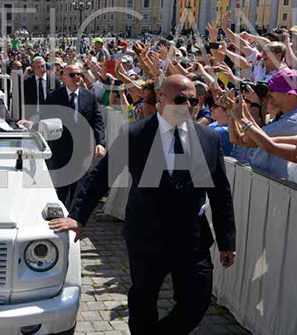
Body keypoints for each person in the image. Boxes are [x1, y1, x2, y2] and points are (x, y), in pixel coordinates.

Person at [52, 75, 236, 335]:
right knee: (143, 301)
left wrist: (227, 240)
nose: (187, 106)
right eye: (180, 100)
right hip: (147, 236)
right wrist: (78, 216)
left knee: (197, 300)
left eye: (193, 101)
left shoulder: (209, 138)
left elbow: (220, 193)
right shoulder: (135, 134)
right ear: (161, 99)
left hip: (192, 238)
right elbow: (101, 176)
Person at [41, 64, 106, 204]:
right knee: (63, 188)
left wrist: (100, 143)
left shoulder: (89, 96)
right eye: (72, 75)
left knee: (79, 187)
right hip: (60, 149)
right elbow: (44, 117)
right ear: (63, 78)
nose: (76, 77)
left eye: (79, 74)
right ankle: (64, 211)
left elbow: (97, 121)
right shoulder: (54, 97)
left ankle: (74, 214)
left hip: (82, 149)